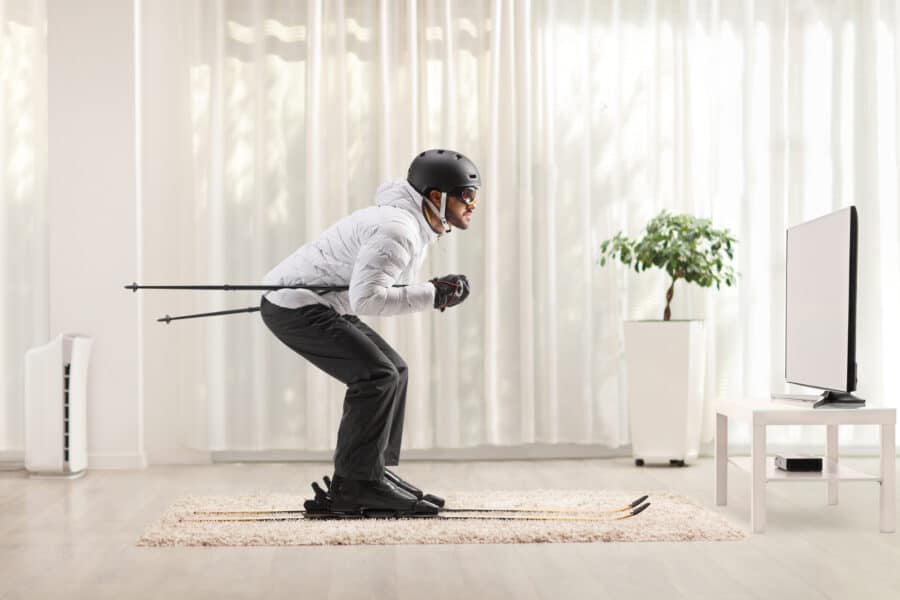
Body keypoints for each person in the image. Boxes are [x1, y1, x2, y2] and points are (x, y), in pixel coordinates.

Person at [259, 149, 480, 516]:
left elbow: (372, 288)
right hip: (294, 305)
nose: (473, 205)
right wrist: (434, 293)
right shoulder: (399, 229)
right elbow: (368, 300)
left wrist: (432, 289)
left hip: (322, 303)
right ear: (437, 197)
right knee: (375, 376)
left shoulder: (410, 222)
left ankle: (371, 472)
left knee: (395, 370)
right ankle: (355, 486)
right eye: (467, 195)